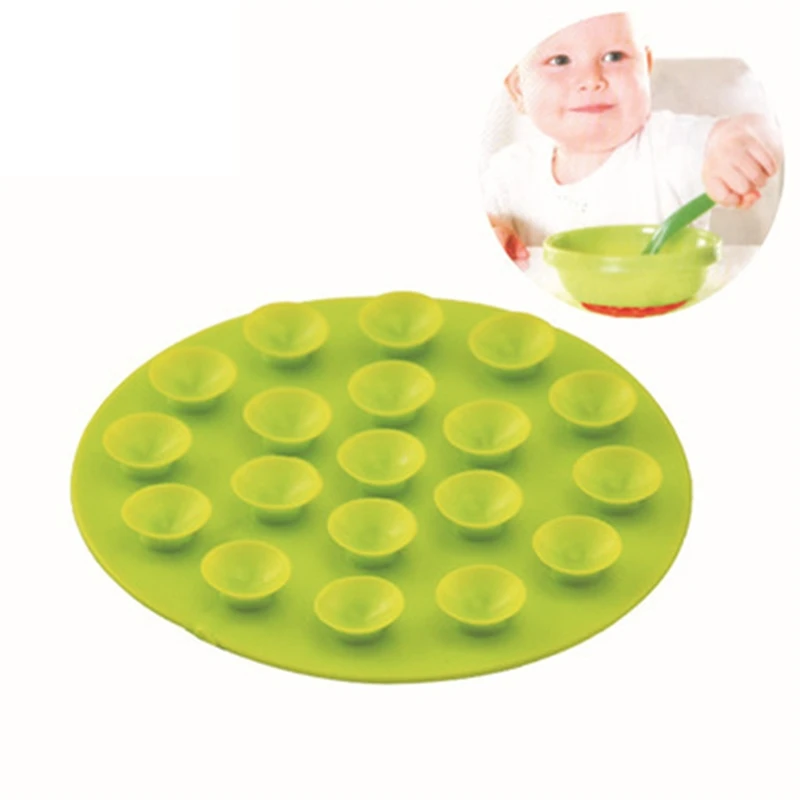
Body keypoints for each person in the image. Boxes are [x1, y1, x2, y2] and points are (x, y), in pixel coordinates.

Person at [482, 12, 783, 262]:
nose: (591, 80)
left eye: (614, 57)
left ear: (646, 67)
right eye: (560, 61)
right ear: (518, 88)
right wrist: (496, 233)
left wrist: (740, 144)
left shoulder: (669, 145)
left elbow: (761, 129)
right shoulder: (508, 173)